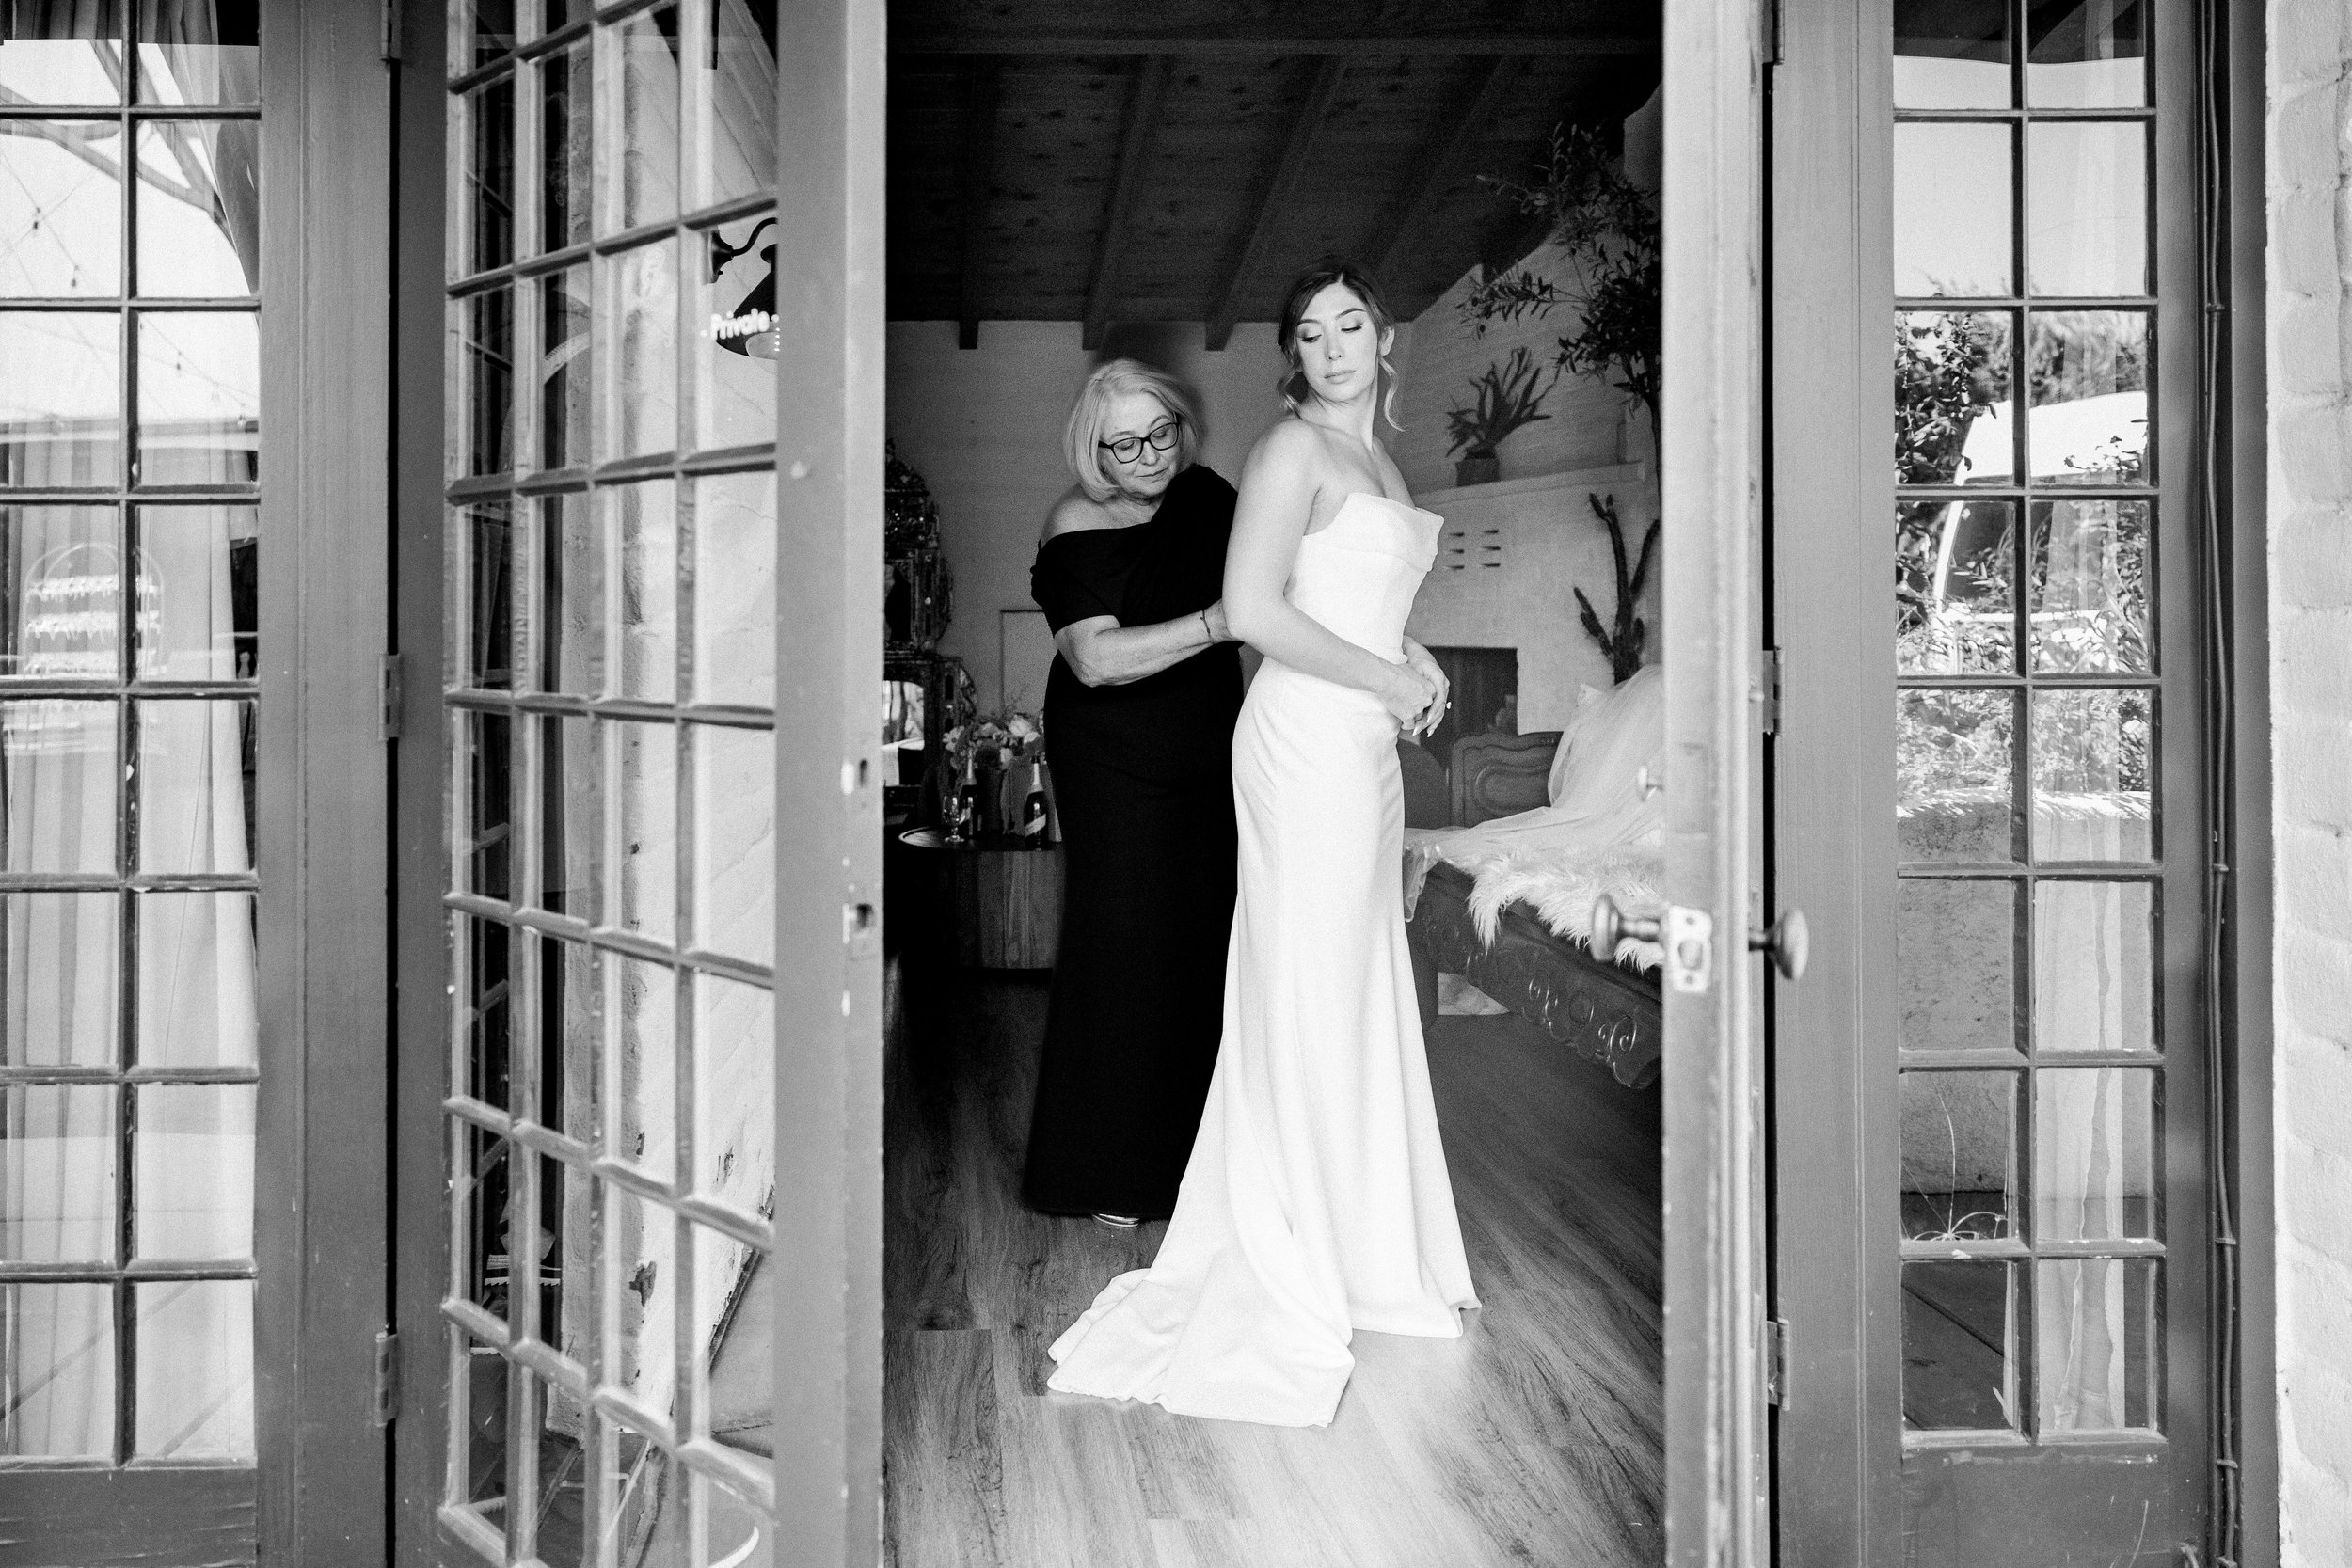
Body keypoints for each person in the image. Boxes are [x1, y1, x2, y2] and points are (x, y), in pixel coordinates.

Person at [1044, 261, 1475, 1427]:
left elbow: (1346, 590)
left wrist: (1413, 655)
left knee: (1354, 982)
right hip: (1304, 738)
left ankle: (1364, 1234)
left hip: (1363, 739)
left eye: (1350, 325)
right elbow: (1258, 611)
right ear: (1291, 352)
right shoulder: (1290, 449)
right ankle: (1294, 1238)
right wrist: (1387, 674)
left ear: (1384, 338)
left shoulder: (1379, 460)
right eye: (1309, 331)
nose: (1332, 346)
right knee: (1302, 980)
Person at [1023, 359, 1245, 1227]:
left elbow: (1286, 574)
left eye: (1162, 432)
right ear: (1093, 447)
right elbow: (1095, 659)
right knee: (1124, 945)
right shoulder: (1072, 520)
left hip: (1209, 743)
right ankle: (1111, 1171)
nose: (1149, 455)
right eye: (1125, 443)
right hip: (1112, 756)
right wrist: (1223, 621)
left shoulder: (1208, 495)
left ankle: (1199, 1164)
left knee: (1205, 940)